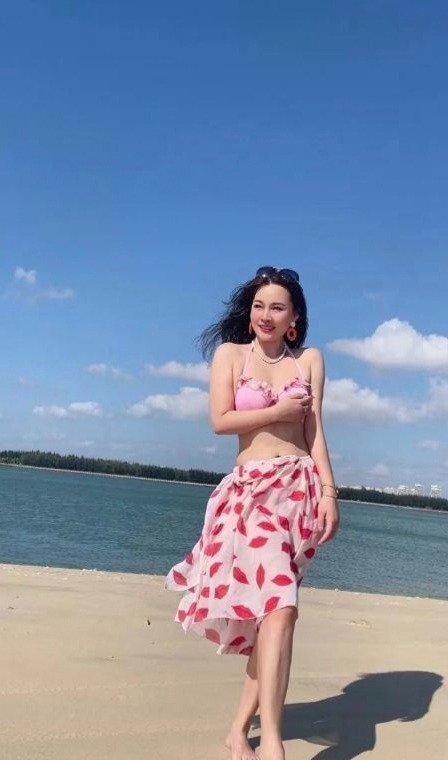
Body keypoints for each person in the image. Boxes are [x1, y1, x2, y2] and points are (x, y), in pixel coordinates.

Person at [164, 266, 340, 760]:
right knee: (282, 606)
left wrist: (329, 493)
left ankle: (239, 730)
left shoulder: (309, 361)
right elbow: (221, 421)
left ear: (294, 318)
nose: (266, 315)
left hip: (299, 493)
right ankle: (275, 743)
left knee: (275, 619)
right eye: (259, 306)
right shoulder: (231, 355)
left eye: (277, 307)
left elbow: (314, 431)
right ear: (249, 313)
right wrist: (277, 413)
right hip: (250, 495)